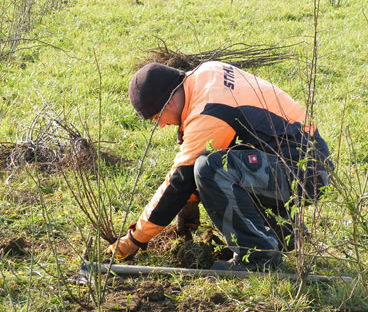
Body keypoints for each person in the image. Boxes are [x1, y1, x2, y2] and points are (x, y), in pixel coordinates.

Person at [108, 61, 333, 271]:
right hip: (303, 161)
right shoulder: (206, 73)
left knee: (211, 169)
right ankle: (283, 232)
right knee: (225, 163)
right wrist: (191, 200)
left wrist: (135, 238)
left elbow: (178, 182)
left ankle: (259, 257)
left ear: (170, 100)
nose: (163, 125)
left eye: (159, 117)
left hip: (305, 174)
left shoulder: (208, 110)